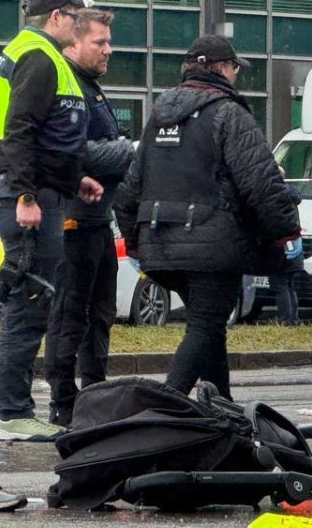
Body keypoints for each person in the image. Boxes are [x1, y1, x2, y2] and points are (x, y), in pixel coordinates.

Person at [114, 35, 299, 400]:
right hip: (212, 245)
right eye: (233, 67)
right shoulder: (229, 113)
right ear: (221, 69)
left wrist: (133, 240)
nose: (235, 75)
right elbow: (260, 181)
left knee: (211, 326)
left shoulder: (158, 117)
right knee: (204, 324)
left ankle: (222, 407)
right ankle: (167, 406)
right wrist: (285, 230)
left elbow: (130, 186)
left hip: (159, 244)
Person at [0, 0, 105, 442]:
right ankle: (11, 413)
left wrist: (73, 181)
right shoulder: (39, 57)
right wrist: (27, 196)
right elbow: (21, 128)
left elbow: (49, 136)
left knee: (31, 299)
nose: (79, 22)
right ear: (56, 17)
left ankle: (14, 410)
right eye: (74, 14)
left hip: (37, 191)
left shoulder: (41, 54)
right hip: (24, 196)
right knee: (29, 304)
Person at [43, 8, 133, 427]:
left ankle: (95, 396)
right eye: (99, 42)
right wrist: (129, 152)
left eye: (109, 41)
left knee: (101, 314)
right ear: (73, 43)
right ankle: (63, 401)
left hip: (99, 221)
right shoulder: (69, 87)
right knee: (70, 313)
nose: (108, 49)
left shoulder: (92, 88)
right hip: (72, 221)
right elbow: (79, 154)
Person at [268, 167, 304, 326]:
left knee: (280, 284)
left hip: (281, 246)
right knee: (289, 285)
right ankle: (294, 318)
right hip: (295, 245)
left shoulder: (274, 196)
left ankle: (285, 320)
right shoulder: (292, 195)